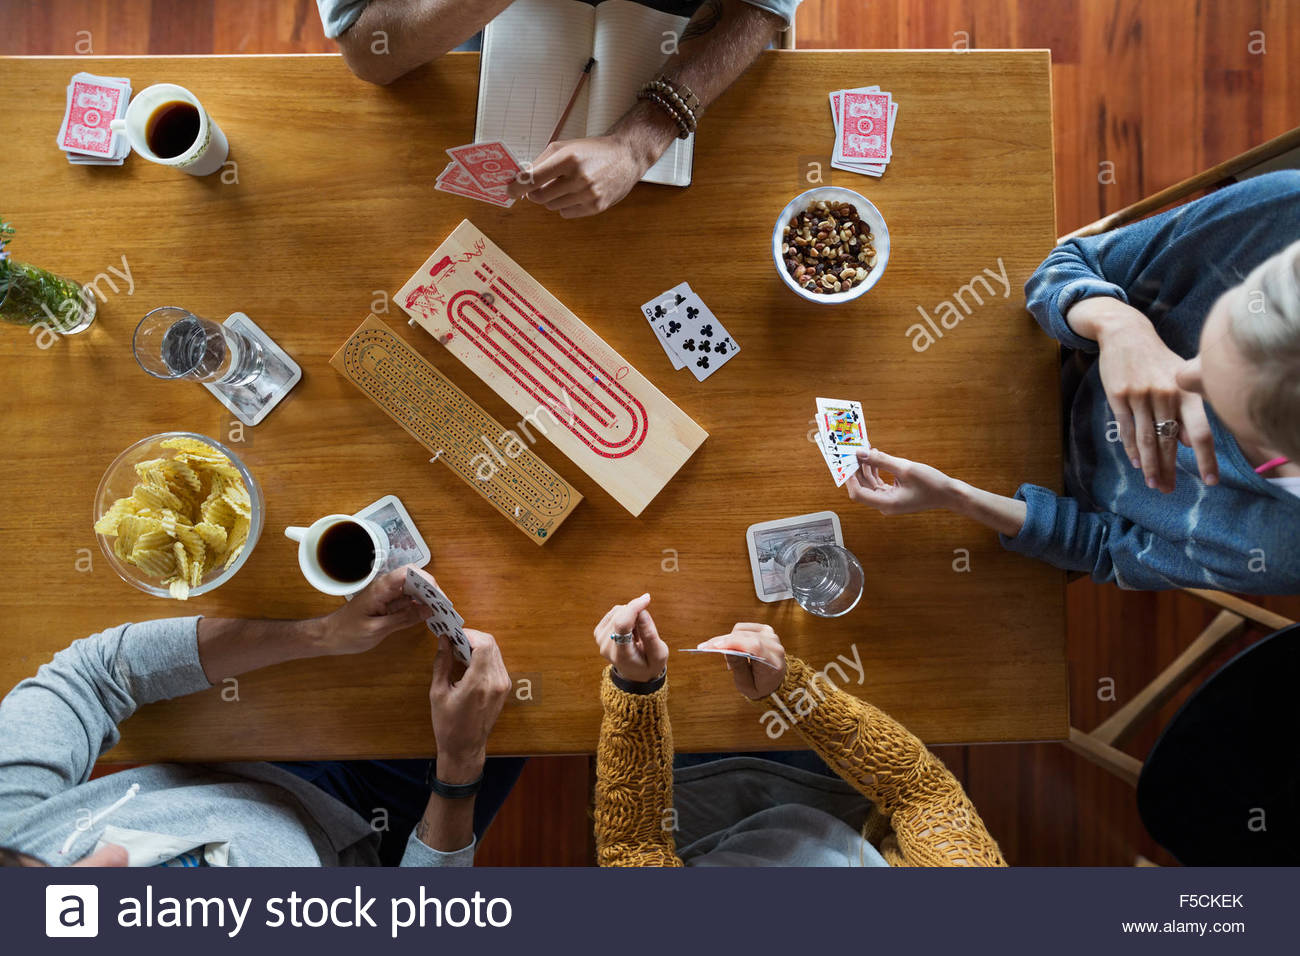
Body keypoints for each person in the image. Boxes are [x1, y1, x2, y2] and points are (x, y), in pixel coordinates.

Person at [847, 172, 1300, 592]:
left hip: (1033, 493)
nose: (1181, 373)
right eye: (1221, 337)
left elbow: (1101, 549)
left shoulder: (1283, 550)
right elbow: (1065, 265)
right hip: (1021, 352)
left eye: (1222, 393)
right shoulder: (1285, 218)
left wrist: (956, 496)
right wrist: (1120, 325)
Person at [0, 567, 516, 867]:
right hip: (386, 830)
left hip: (244, 741)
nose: (110, 859)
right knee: (528, 683)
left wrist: (320, 634)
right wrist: (460, 762)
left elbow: (96, 672)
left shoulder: (12, 837)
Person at [591, 593, 1005, 866]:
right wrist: (791, 691)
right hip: (841, 789)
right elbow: (922, 793)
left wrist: (637, 689)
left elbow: (633, 849)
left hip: (688, 807)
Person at [315, 0, 798, 217]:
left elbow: (762, 3)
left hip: (694, 63)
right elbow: (367, 50)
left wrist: (637, 143)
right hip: (462, 38)